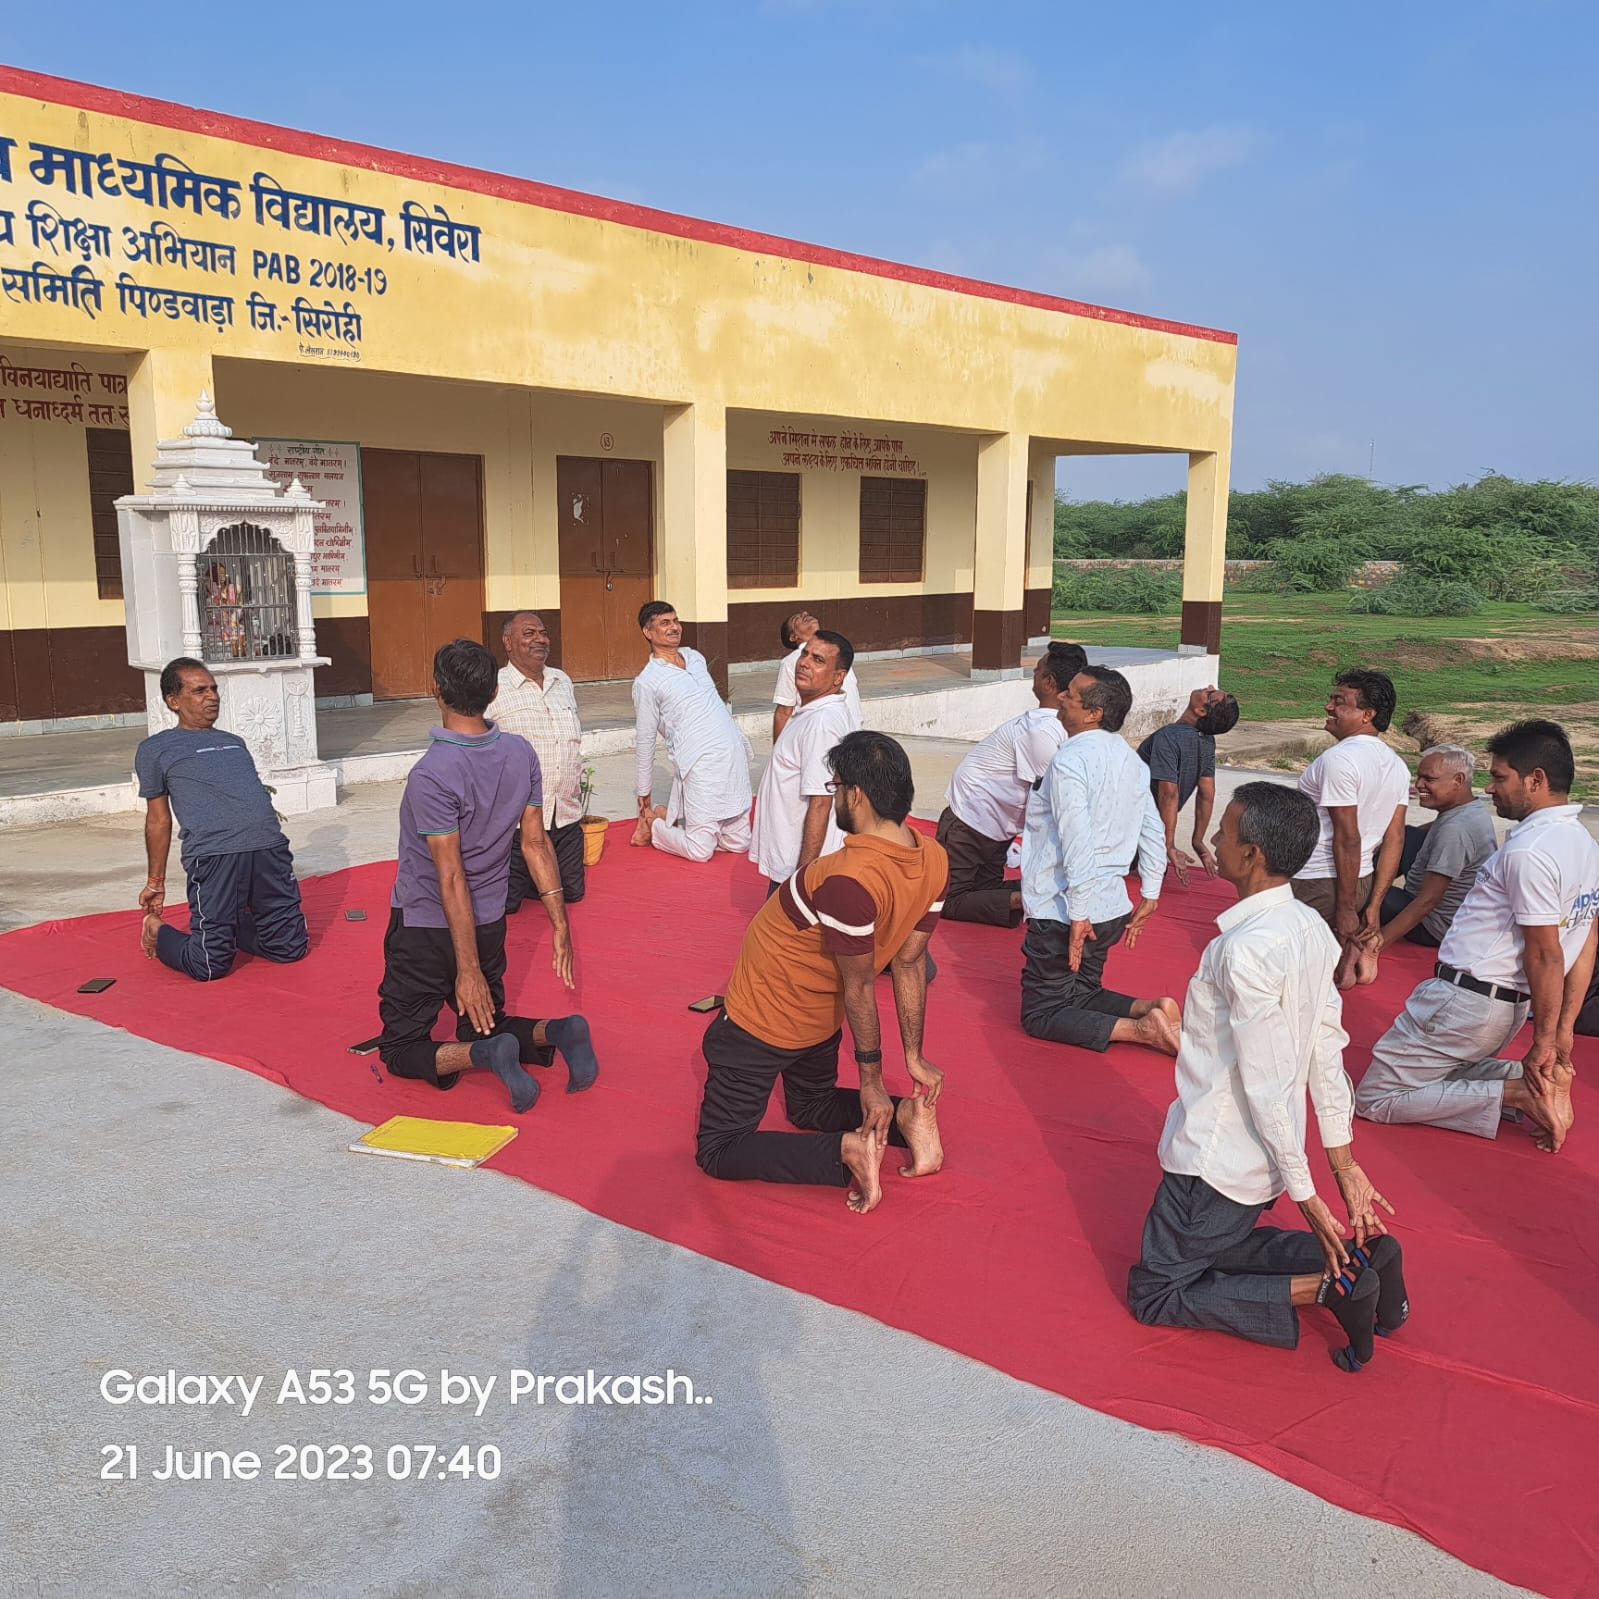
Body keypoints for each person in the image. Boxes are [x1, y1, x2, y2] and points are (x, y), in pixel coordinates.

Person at [1127, 784, 1405, 1372]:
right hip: (1264, 1157)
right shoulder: (1309, 927)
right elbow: (1326, 1048)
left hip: (1215, 1159)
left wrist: (1308, 1195)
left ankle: (1332, 1288)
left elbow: (1266, 1080)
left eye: (1224, 833)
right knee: (1223, 1246)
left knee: (1157, 1292)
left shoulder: (1241, 950)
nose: (1214, 840)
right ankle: (1363, 1257)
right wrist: (1341, 1164)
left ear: (1251, 855)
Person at [697, 731, 947, 1214]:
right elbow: (910, 961)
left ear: (857, 795)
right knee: (810, 1106)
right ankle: (905, 1118)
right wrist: (913, 1056)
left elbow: (861, 984)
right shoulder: (932, 855)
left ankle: (846, 1152)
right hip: (820, 1020)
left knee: (718, 1150)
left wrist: (872, 1080)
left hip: (763, 1018)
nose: (834, 799)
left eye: (836, 788)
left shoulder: (848, 877)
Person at [1355, 720, 1598, 1154]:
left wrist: (1546, 1041)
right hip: (1500, 1005)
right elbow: (1584, 941)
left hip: (1468, 1002)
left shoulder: (1530, 851)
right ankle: (1523, 1081)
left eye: (1500, 778)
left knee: (1377, 1097)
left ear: (1536, 780)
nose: (1489, 788)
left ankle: (1518, 1091)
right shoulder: (1583, 844)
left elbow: (1546, 955)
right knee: (1438, 1072)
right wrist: (1562, 1032)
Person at [376, 640, 597, 1115]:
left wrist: (468, 969)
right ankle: (557, 1031)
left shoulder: (432, 773)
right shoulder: (520, 752)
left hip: (426, 925)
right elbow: (536, 843)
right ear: (494, 692)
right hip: (489, 919)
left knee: (399, 1047)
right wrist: (560, 923)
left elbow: (451, 876)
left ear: (435, 689)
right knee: (483, 1020)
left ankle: (484, 1055)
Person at [1020, 665, 1181, 1056]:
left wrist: (1078, 915)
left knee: (1041, 1015)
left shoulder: (1070, 762)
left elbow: (1077, 840)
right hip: (1110, 908)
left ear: (1094, 713)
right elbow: (1152, 828)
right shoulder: (1131, 761)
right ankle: (1150, 1008)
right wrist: (1151, 892)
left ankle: (1140, 1029)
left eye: (1071, 695)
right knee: (1083, 990)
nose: (1061, 696)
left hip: (1065, 910)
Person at [136, 658, 309, 982]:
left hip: (269, 850)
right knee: (209, 965)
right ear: (173, 701)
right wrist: (155, 882)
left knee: (290, 949)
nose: (212, 696)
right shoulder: (155, 750)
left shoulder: (234, 742)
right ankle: (158, 931)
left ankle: (230, 923)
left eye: (213, 689)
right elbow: (158, 820)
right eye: (199, 690)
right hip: (214, 856)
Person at [936, 641, 1084, 927]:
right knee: (981, 891)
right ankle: (1037, 895)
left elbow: (1050, 802)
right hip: (983, 819)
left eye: (1038, 669)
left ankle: (1033, 898)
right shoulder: (1056, 727)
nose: (1034, 674)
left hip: (973, 822)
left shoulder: (1040, 731)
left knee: (948, 900)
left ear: (1049, 682)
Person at [1291, 670, 1411, 988]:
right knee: (1321, 966)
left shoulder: (1339, 760)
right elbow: (1394, 839)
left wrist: (1345, 909)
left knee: (1292, 971)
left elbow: (1348, 838)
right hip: (1360, 880)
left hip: (1317, 880)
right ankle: (1346, 962)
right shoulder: (1397, 765)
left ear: (1366, 715)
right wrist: (1372, 905)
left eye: (1339, 702)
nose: (1329, 707)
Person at [631, 601, 754, 861]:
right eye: (665, 623)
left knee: (739, 843)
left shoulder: (695, 657)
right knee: (700, 851)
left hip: (732, 753)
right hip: (699, 762)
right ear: (648, 632)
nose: (674, 627)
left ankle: (674, 819)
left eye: (676, 621)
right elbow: (645, 739)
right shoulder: (647, 681)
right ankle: (654, 824)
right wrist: (644, 793)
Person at [488, 610, 587, 910]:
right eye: (529, 634)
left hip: (564, 815)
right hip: (517, 823)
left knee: (572, 893)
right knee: (506, 905)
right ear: (508, 642)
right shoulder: (494, 687)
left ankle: (541, 877)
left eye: (543, 633)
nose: (540, 639)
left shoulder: (562, 680)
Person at [750, 629, 862, 890]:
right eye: (805, 654)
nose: (804, 663)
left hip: (799, 868)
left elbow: (821, 802)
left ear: (838, 677)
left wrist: (801, 880)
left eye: (818, 660)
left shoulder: (821, 723)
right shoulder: (812, 713)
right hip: (792, 858)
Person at [1375, 743, 1496, 950]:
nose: (1419, 785)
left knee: (1367, 894)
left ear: (1458, 780)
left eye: (1429, 779)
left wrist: (1376, 945)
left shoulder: (1455, 830)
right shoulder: (1471, 809)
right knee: (1405, 835)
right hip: (1455, 913)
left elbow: (1428, 901)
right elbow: (1432, 828)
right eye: (1419, 777)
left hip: (1434, 927)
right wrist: (1390, 841)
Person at [1137, 686, 1240, 887]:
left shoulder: (1168, 736)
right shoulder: (1207, 741)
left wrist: (1168, 845)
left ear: (1201, 711)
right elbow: (1207, 793)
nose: (1209, 687)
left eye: (1210, 694)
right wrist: (1197, 840)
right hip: (1151, 834)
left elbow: (1169, 793)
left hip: (1134, 829)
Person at [772, 610, 863, 740]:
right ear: (793, 637)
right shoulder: (792, 661)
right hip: (823, 735)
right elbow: (784, 711)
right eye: (797, 619)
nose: (805, 613)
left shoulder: (837, 654)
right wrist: (778, 748)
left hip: (851, 733)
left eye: (818, 660)